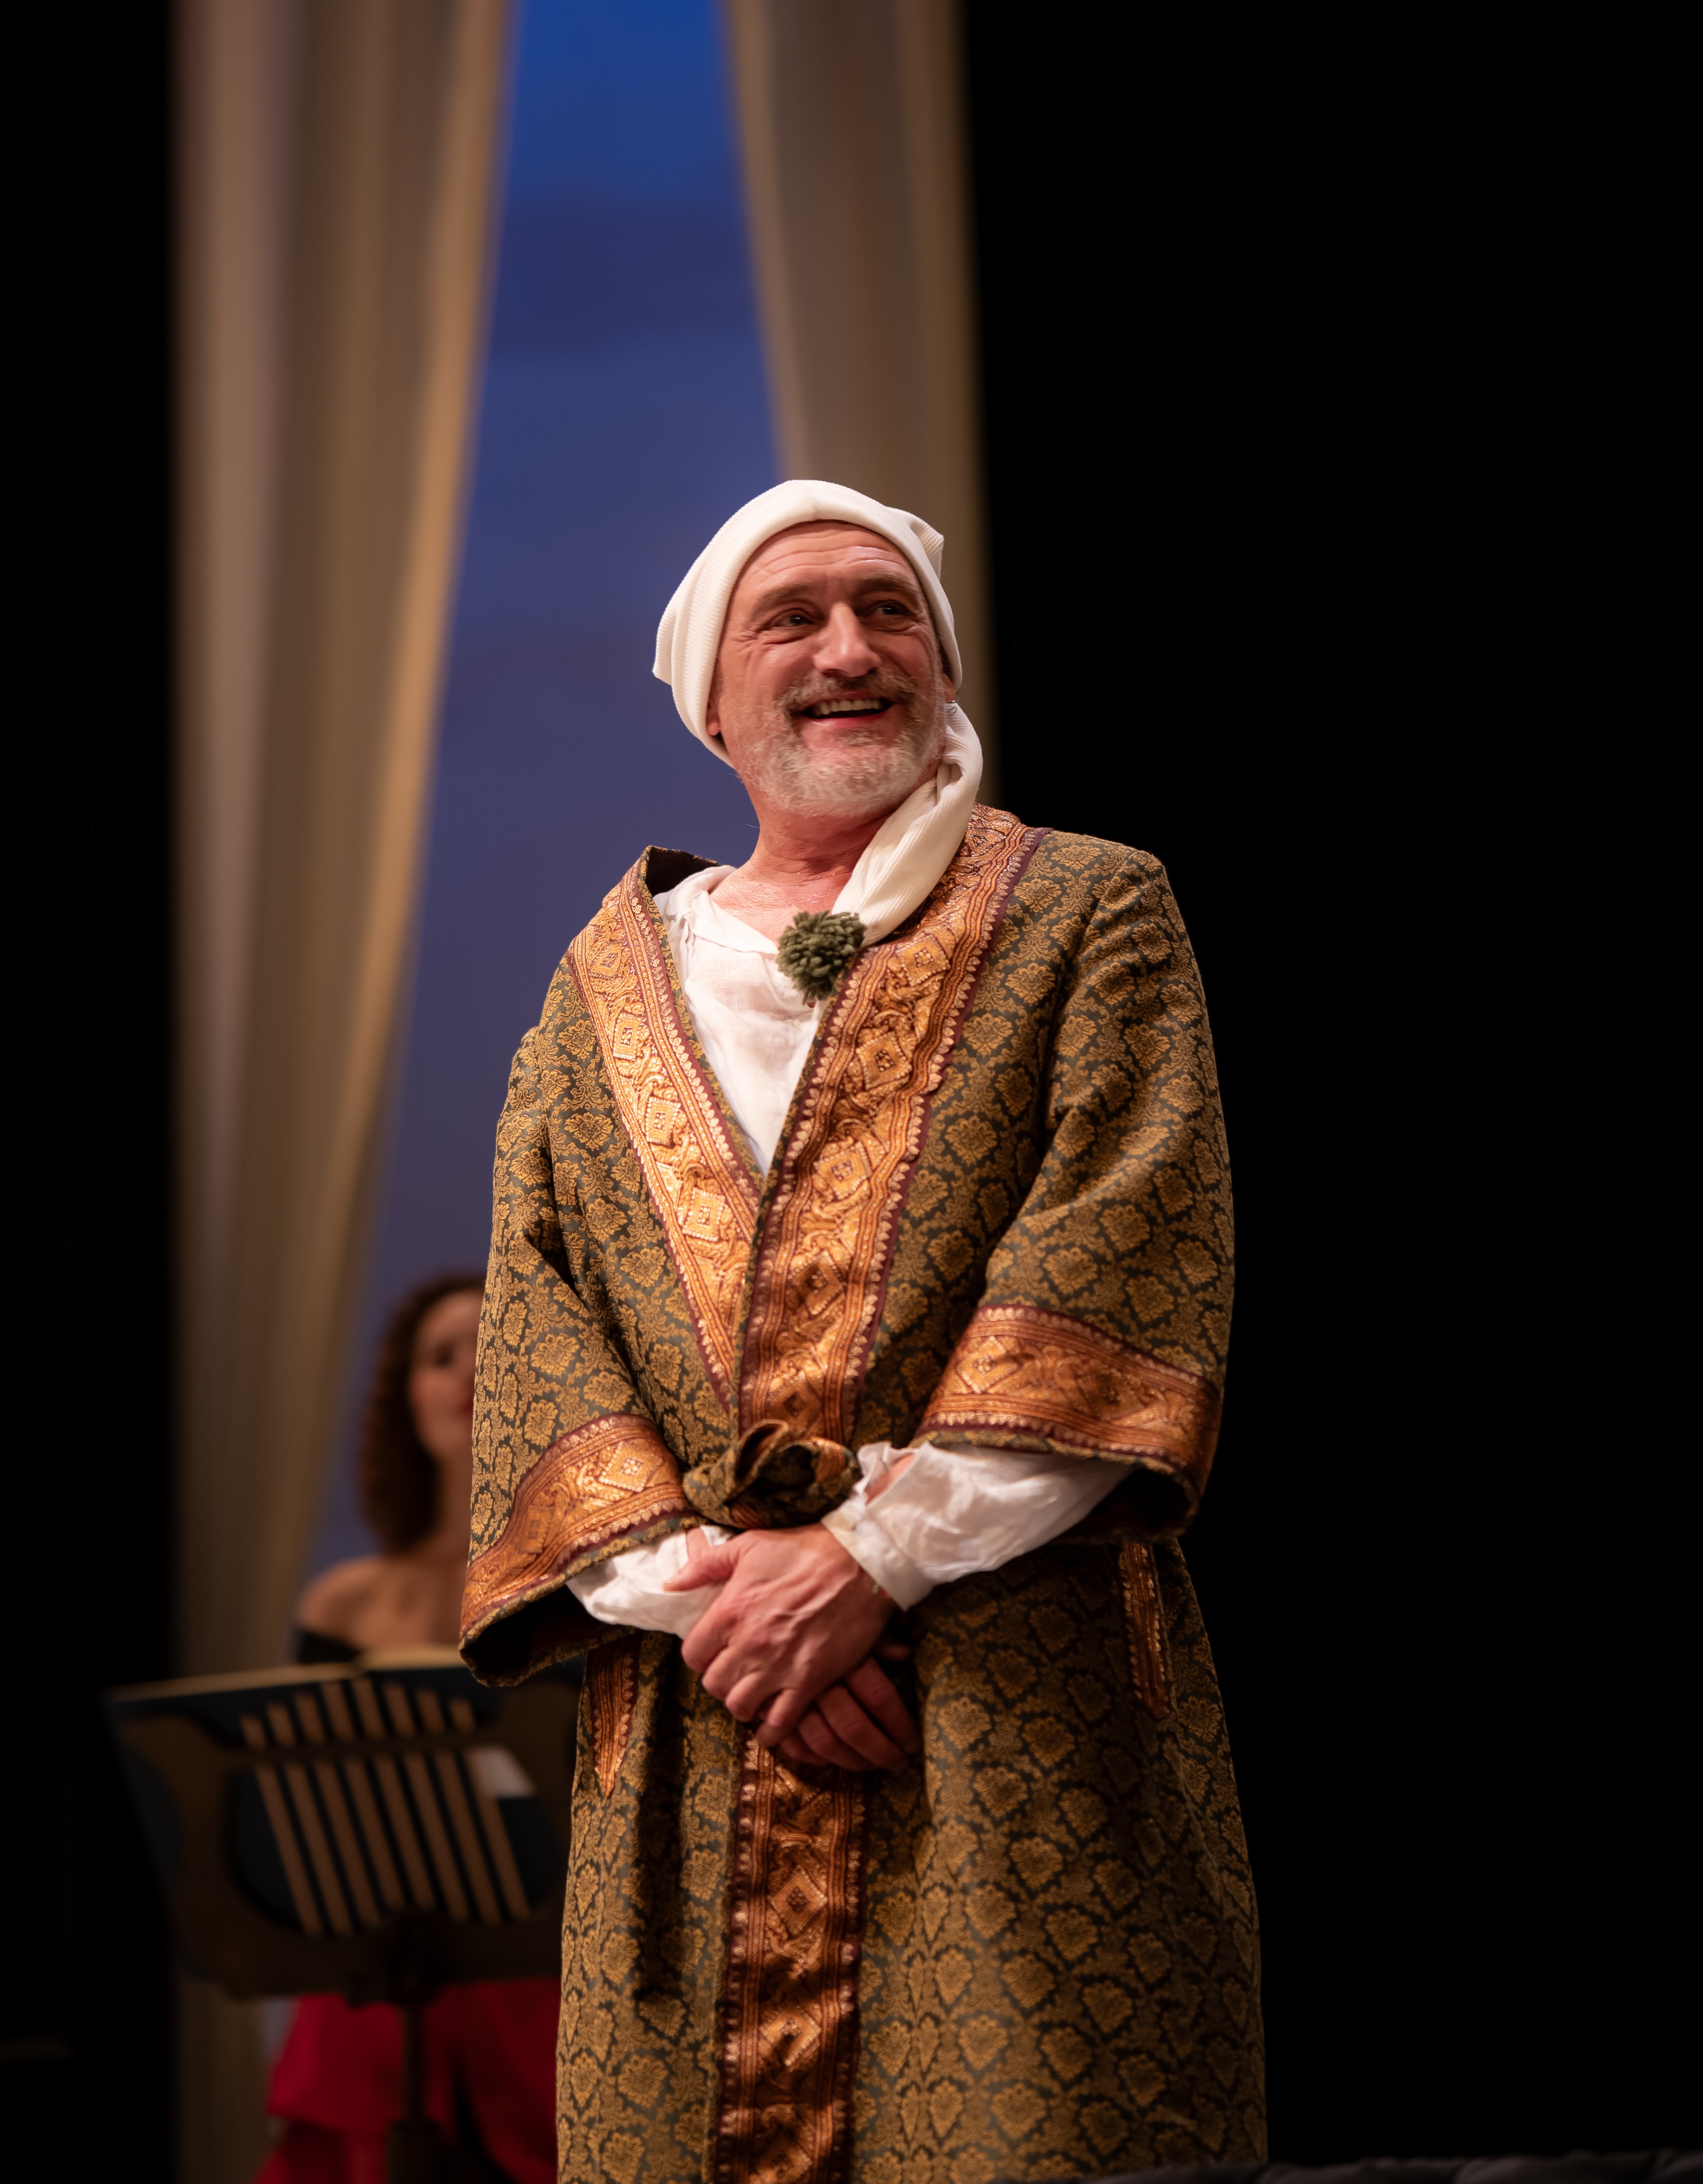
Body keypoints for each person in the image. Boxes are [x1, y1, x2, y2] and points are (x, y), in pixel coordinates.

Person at [457, 480, 1267, 2184]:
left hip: (1005, 1692)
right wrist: (726, 1606)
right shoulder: (599, 988)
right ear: (713, 698)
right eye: (796, 618)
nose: (851, 650)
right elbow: (541, 1326)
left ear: (945, 664)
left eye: (891, 611)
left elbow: (1121, 1256)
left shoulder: (1088, 911)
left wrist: (871, 1561)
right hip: (704, 1715)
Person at [260, 1275, 559, 2184]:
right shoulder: (341, 1602)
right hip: (382, 1967)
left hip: (545, 1975)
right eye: (439, 1356)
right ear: (406, 1397)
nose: (465, 1370)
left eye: (489, 1342)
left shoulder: (585, 1584)